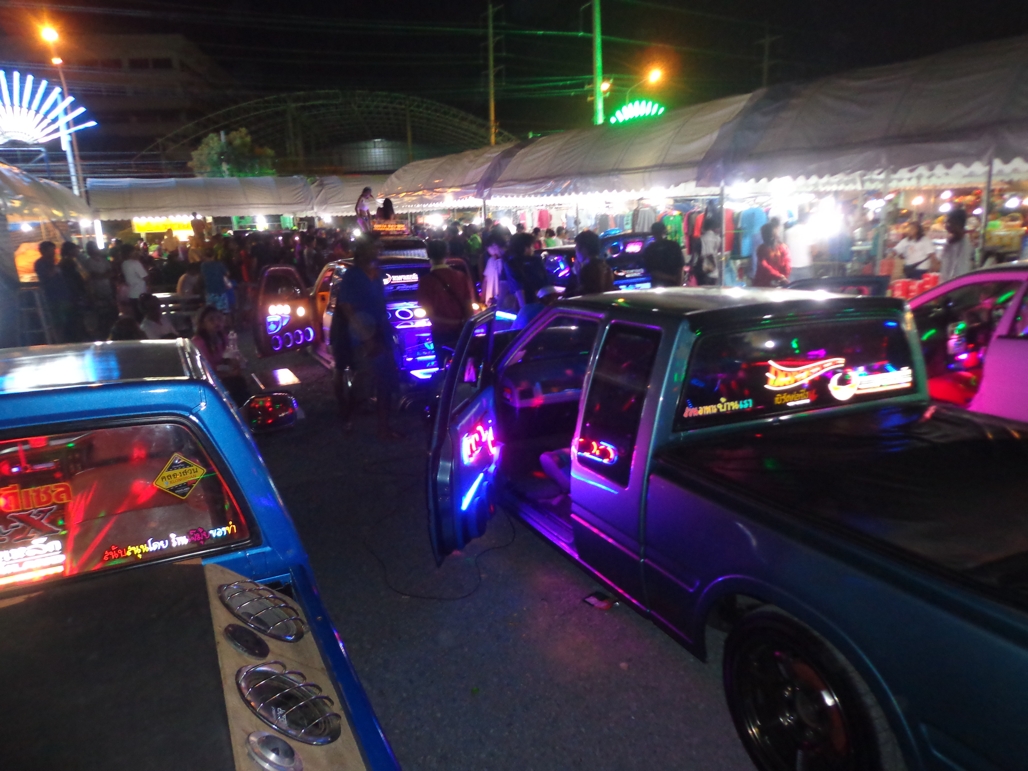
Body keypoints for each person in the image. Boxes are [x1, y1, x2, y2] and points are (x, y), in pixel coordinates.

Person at [337, 239, 401, 439]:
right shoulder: (353, 275)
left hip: (381, 331)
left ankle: (383, 427)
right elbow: (346, 308)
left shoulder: (378, 274)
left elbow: (381, 305)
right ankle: (348, 416)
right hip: (362, 333)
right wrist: (365, 336)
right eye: (374, 247)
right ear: (364, 251)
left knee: (385, 380)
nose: (378, 251)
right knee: (363, 382)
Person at [418, 239, 474, 367]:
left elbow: (430, 315)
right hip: (461, 331)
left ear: (428, 254)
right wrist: (463, 324)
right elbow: (469, 307)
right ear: (447, 253)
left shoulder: (425, 282)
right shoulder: (460, 276)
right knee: (463, 366)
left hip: (441, 332)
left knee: (443, 366)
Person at [192, 304, 249, 406]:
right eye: (211, 320)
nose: (216, 322)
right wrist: (229, 374)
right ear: (202, 324)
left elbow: (228, 356)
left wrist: (235, 363)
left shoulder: (222, 337)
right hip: (205, 379)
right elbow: (205, 370)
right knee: (236, 384)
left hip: (220, 373)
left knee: (240, 382)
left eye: (219, 318)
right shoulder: (199, 342)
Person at [34, 241, 70, 341]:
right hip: (51, 295)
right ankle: (57, 340)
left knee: (63, 319)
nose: (54, 252)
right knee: (55, 320)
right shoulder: (40, 263)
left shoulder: (53, 262)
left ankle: (62, 339)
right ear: (44, 251)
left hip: (62, 294)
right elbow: (46, 276)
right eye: (51, 250)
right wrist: (55, 267)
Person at [566, 230, 613, 297]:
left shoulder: (588, 270)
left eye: (577, 249)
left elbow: (582, 295)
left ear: (584, 249)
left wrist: (577, 274)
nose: (576, 253)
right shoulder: (605, 266)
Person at [641, 222, 686, 287]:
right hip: (675, 284)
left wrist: (671, 278)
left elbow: (651, 271)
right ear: (665, 231)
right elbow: (680, 267)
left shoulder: (650, 249)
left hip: (658, 285)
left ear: (652, 233)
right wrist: (678, 282)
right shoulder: (674, 245)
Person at [753, 220, 791, 287]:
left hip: (763, 283)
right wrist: (783, 277)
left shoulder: (762, 249)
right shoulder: (784, 247)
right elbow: (788, 264)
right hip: (781, 283)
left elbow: (764, 266)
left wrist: (779, 276)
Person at [940, 208, 973, 282]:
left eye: (949, 221)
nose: (946, 224)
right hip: (953, 281)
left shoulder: (961, 242)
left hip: (954, 282)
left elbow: (957, 266)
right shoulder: (957, 239)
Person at [784, 212, 814, 282]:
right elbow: (814, 250)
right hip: (805, 266)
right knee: (805, 287)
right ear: (807, 220)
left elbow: (785, 249)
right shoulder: (809, 231)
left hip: (790, 267)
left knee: (791, 287)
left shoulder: (788, 232)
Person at [121, 245, 149, 318]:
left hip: (131, 294)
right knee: (143, 316)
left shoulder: (124, 263)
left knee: (136, 316)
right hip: (140, 294)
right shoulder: (135, 263)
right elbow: (146, 277)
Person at [200, 247, 230, 313]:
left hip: (209, 291)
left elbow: (202, 277)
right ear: (214, 256)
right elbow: (227, 273)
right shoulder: (219, 264)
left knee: (211, 312)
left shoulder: (203, 266)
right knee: (223, 312)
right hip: (220, 291)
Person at [480, 230, 507, 305]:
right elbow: (486, 280)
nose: (488, 250)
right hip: (491, 301)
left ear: (495, 245)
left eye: (488, 247)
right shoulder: (491, 260)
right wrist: (482, 299)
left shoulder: (506, 261)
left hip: (502, 301)